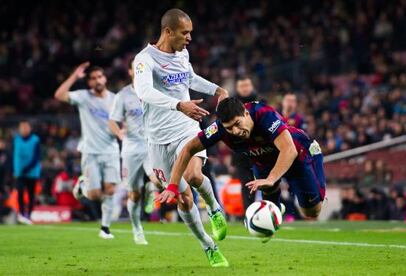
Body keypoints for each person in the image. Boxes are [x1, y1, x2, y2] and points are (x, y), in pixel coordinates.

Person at [133, 8, 228, 267]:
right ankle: (208, 245)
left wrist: (216, 89)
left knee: (194, 175)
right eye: (185, 33)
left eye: (190, 33)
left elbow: (190, 78)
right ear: (168, 31)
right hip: (157, 139)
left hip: (186, 128)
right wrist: (179, 104)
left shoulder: (183, 54)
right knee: (183, 198)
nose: (189, 38)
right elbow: (144, 92)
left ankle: (214, 208)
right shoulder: (144, 60)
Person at [157, 97, 326, 222]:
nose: (236, 131)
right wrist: (172, 185)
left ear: (246, 113)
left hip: (297, 154)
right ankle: (276, 211)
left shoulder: (264, 114)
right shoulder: (219, 129)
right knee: (270, 214)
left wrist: (272, 178)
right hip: (262, 161)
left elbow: (288, 149)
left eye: (238, 124)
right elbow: (188, 149)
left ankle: (316, 158)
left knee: (312, 212)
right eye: (229, 128)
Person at [54, 63, 120, 239]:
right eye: (93, 78)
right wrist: (74, 76)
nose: (97, 80)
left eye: (100, 76)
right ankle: (83, 185)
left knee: (111, 190)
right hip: (90, 152)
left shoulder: (115, 99)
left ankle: (105, 228)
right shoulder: (83, 97)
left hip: (111, 150)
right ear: (89, 82)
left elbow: (124, 121)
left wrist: (124, 132)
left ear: (105, 78)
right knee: (94, 194)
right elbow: (59, 95)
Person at [108, 59, 161, 245]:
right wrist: (120, 134)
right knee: (134, 194)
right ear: (131, 72)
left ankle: (151, 188)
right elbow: (113, 121)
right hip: (131, 149)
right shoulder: (122, 96)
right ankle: (137, 228)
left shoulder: (154, 91)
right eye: (135, 69)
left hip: (151, 145)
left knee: (159, 180)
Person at [233, 76, 259, 211]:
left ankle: (272, 210)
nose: (245, 88)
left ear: (252, 86)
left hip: (261, 149)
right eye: (242, 86)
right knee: (247, 184)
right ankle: (249, 213)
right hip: (241, 152)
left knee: (268, 182)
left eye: (247, 85)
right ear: (237, 88)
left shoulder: (260, 102)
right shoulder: (231, 105)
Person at [13, 120, 41, 225]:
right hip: (19, 172)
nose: (24, 129)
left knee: (31, 194)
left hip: (32, 172)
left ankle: (28, 215)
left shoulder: (35, 140)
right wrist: (15, 169)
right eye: (22, 127)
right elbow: (14, 155)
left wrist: (28, 167)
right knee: (20, 192)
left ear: (30, 128)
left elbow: (36, 157)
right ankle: (21, 214)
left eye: (26, 127)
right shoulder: (16, 140)